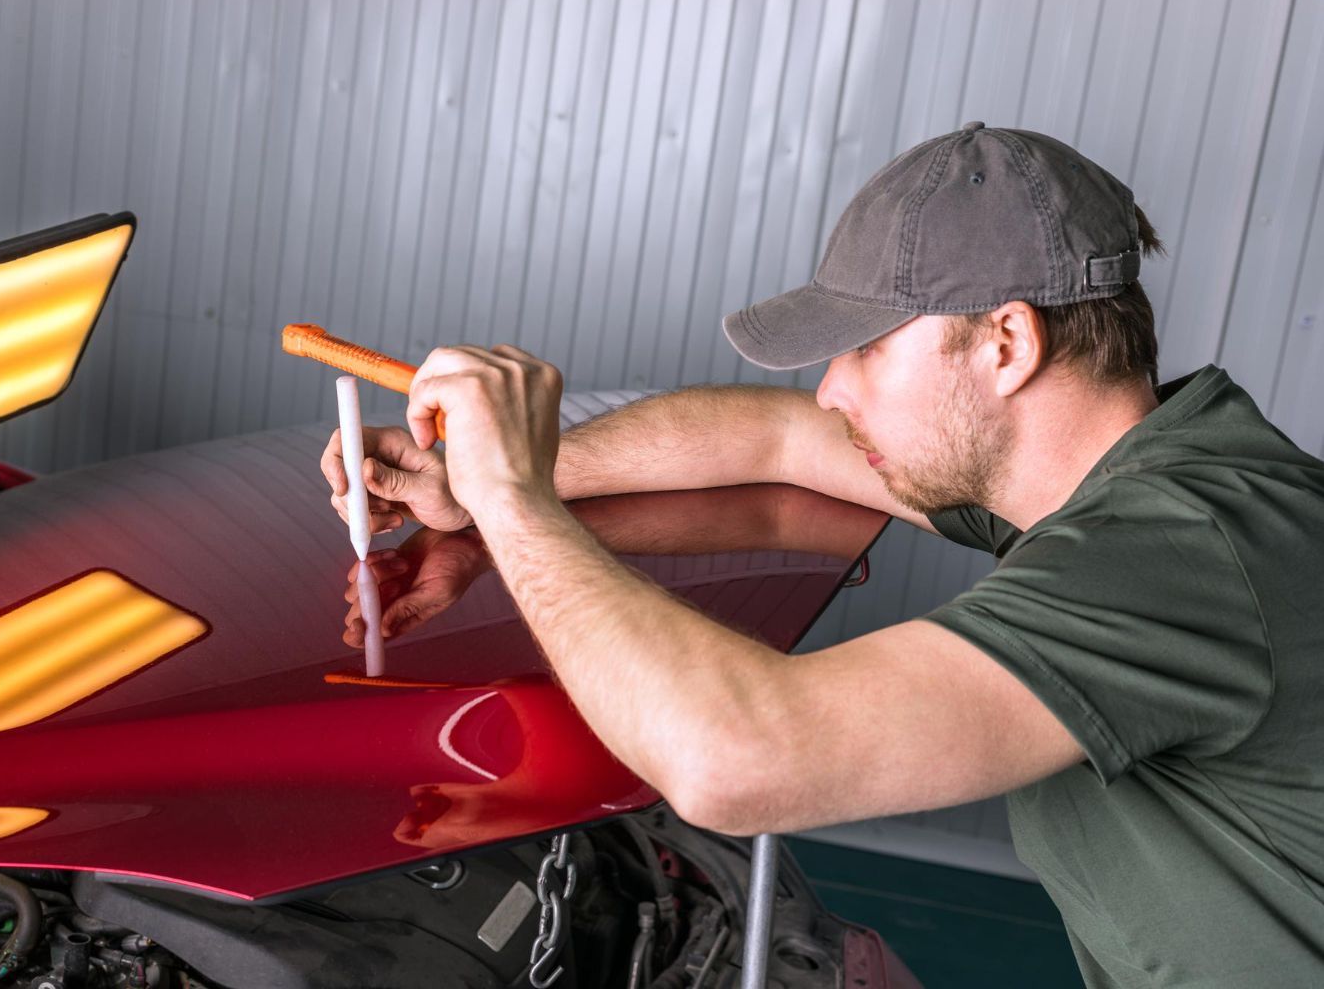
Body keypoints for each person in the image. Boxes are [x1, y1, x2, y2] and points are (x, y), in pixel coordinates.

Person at [321, 122, 1324, 988]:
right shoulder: (1131, 471)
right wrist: (487, 479)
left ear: (1007, 343)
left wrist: (515, 499)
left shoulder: (1174, 552)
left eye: (871, 346)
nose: (833, 389)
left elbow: (733, 759)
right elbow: (781, 439)